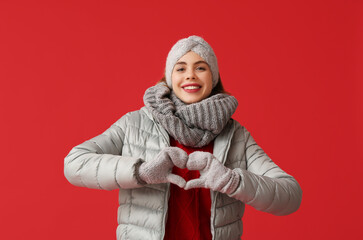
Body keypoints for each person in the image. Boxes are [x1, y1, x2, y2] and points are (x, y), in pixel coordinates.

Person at [64, 35, 302, 240]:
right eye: (181, 68)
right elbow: (74, 163)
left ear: (213, 77)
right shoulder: (134, 123)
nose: (190, 75)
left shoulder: (235, 134)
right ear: (169, 77)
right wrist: (141, 172)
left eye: (201, 67)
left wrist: (233, 181)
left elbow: (290, 195)